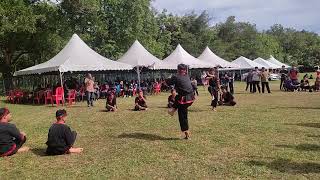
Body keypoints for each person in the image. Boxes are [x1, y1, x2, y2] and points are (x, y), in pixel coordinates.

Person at [168, 64, 195, 139]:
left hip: (184, 99)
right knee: (177, 98)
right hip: (191, 98)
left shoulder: (176, 76)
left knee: (182, 116)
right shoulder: (187, 76)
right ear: (185, 70)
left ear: (178, 69)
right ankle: (173, 109)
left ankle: (187, 133)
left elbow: (168, 83)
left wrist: (169, 78)